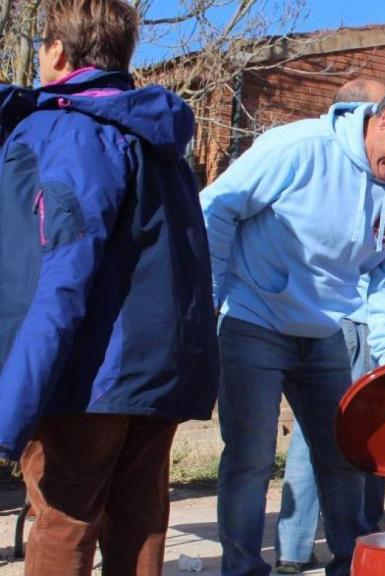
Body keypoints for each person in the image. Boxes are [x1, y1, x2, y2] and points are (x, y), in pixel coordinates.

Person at [201, 79, 385, 576]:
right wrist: (208, 302)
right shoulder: (298, 149)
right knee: (251, 458)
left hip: (325, 331)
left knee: (347, 455)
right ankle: (242, 568)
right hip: (254, 318)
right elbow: (215, 208)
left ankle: (355, 565)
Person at [0, 1, 219, 574]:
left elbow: (60, 272)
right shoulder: (153, 133)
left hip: (87, 374)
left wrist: (11, 407)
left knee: (66, 518)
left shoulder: (73, 130)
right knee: (140, 519)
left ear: (56, 51)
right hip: (155, 372)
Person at [273, 76, 385, 575]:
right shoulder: (338, 166)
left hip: (341, 316)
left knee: (315, 433)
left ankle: (296, 547)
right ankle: (359, 540)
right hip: (349, 319)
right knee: (359, 430)